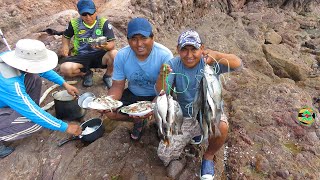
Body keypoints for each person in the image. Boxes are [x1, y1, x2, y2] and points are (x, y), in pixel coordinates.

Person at [155, 30, 242, 180]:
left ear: (202, 48)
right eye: (184, 50)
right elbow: (162, 92)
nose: (189, 55)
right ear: (178, 50)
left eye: (194, 49)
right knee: (164, 155)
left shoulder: (210, 62)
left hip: (209, 110)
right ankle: (197, 132)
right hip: (185, 116)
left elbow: (238, 64)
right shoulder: (173, 65)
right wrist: (162, 76)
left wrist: (217, 55)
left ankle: (208, 157)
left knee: (221, 126)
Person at [0, 39, 82, 158]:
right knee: (35, 124)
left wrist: (64, 84)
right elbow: (33, 113)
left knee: (34, 78)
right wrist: (66, 127)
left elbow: (41, 71)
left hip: (5, 99)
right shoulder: (10, 83)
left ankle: (23, 112)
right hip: (8, 94)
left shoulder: (11, 58)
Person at [105, 17, 174, 140]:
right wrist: (107, 103)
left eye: (144, 38)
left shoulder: (165, 55)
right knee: (110, 112)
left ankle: (154, 121)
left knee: (166, 112)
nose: (139, 44)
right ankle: (138, 120)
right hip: (134, 94)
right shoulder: (122, 55)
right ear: (128, 40)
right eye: (134, 39)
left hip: (157, 95)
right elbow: (117, 86)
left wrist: (150, 108)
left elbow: (165, 91)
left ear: (152, 38)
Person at [59, 0, 117, 88]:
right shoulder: (74, 23)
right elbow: (66, 36)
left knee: (115, 54)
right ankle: (86, 73)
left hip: (99, 55)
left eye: (91, 13)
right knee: (65, 69)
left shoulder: (103, 22)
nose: (88, 17)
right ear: (79, 13)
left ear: (95, 11)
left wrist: (104, 45)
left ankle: (108, 75)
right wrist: (65, 46)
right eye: (84, 15)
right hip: (81, 56)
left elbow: (112, 44)